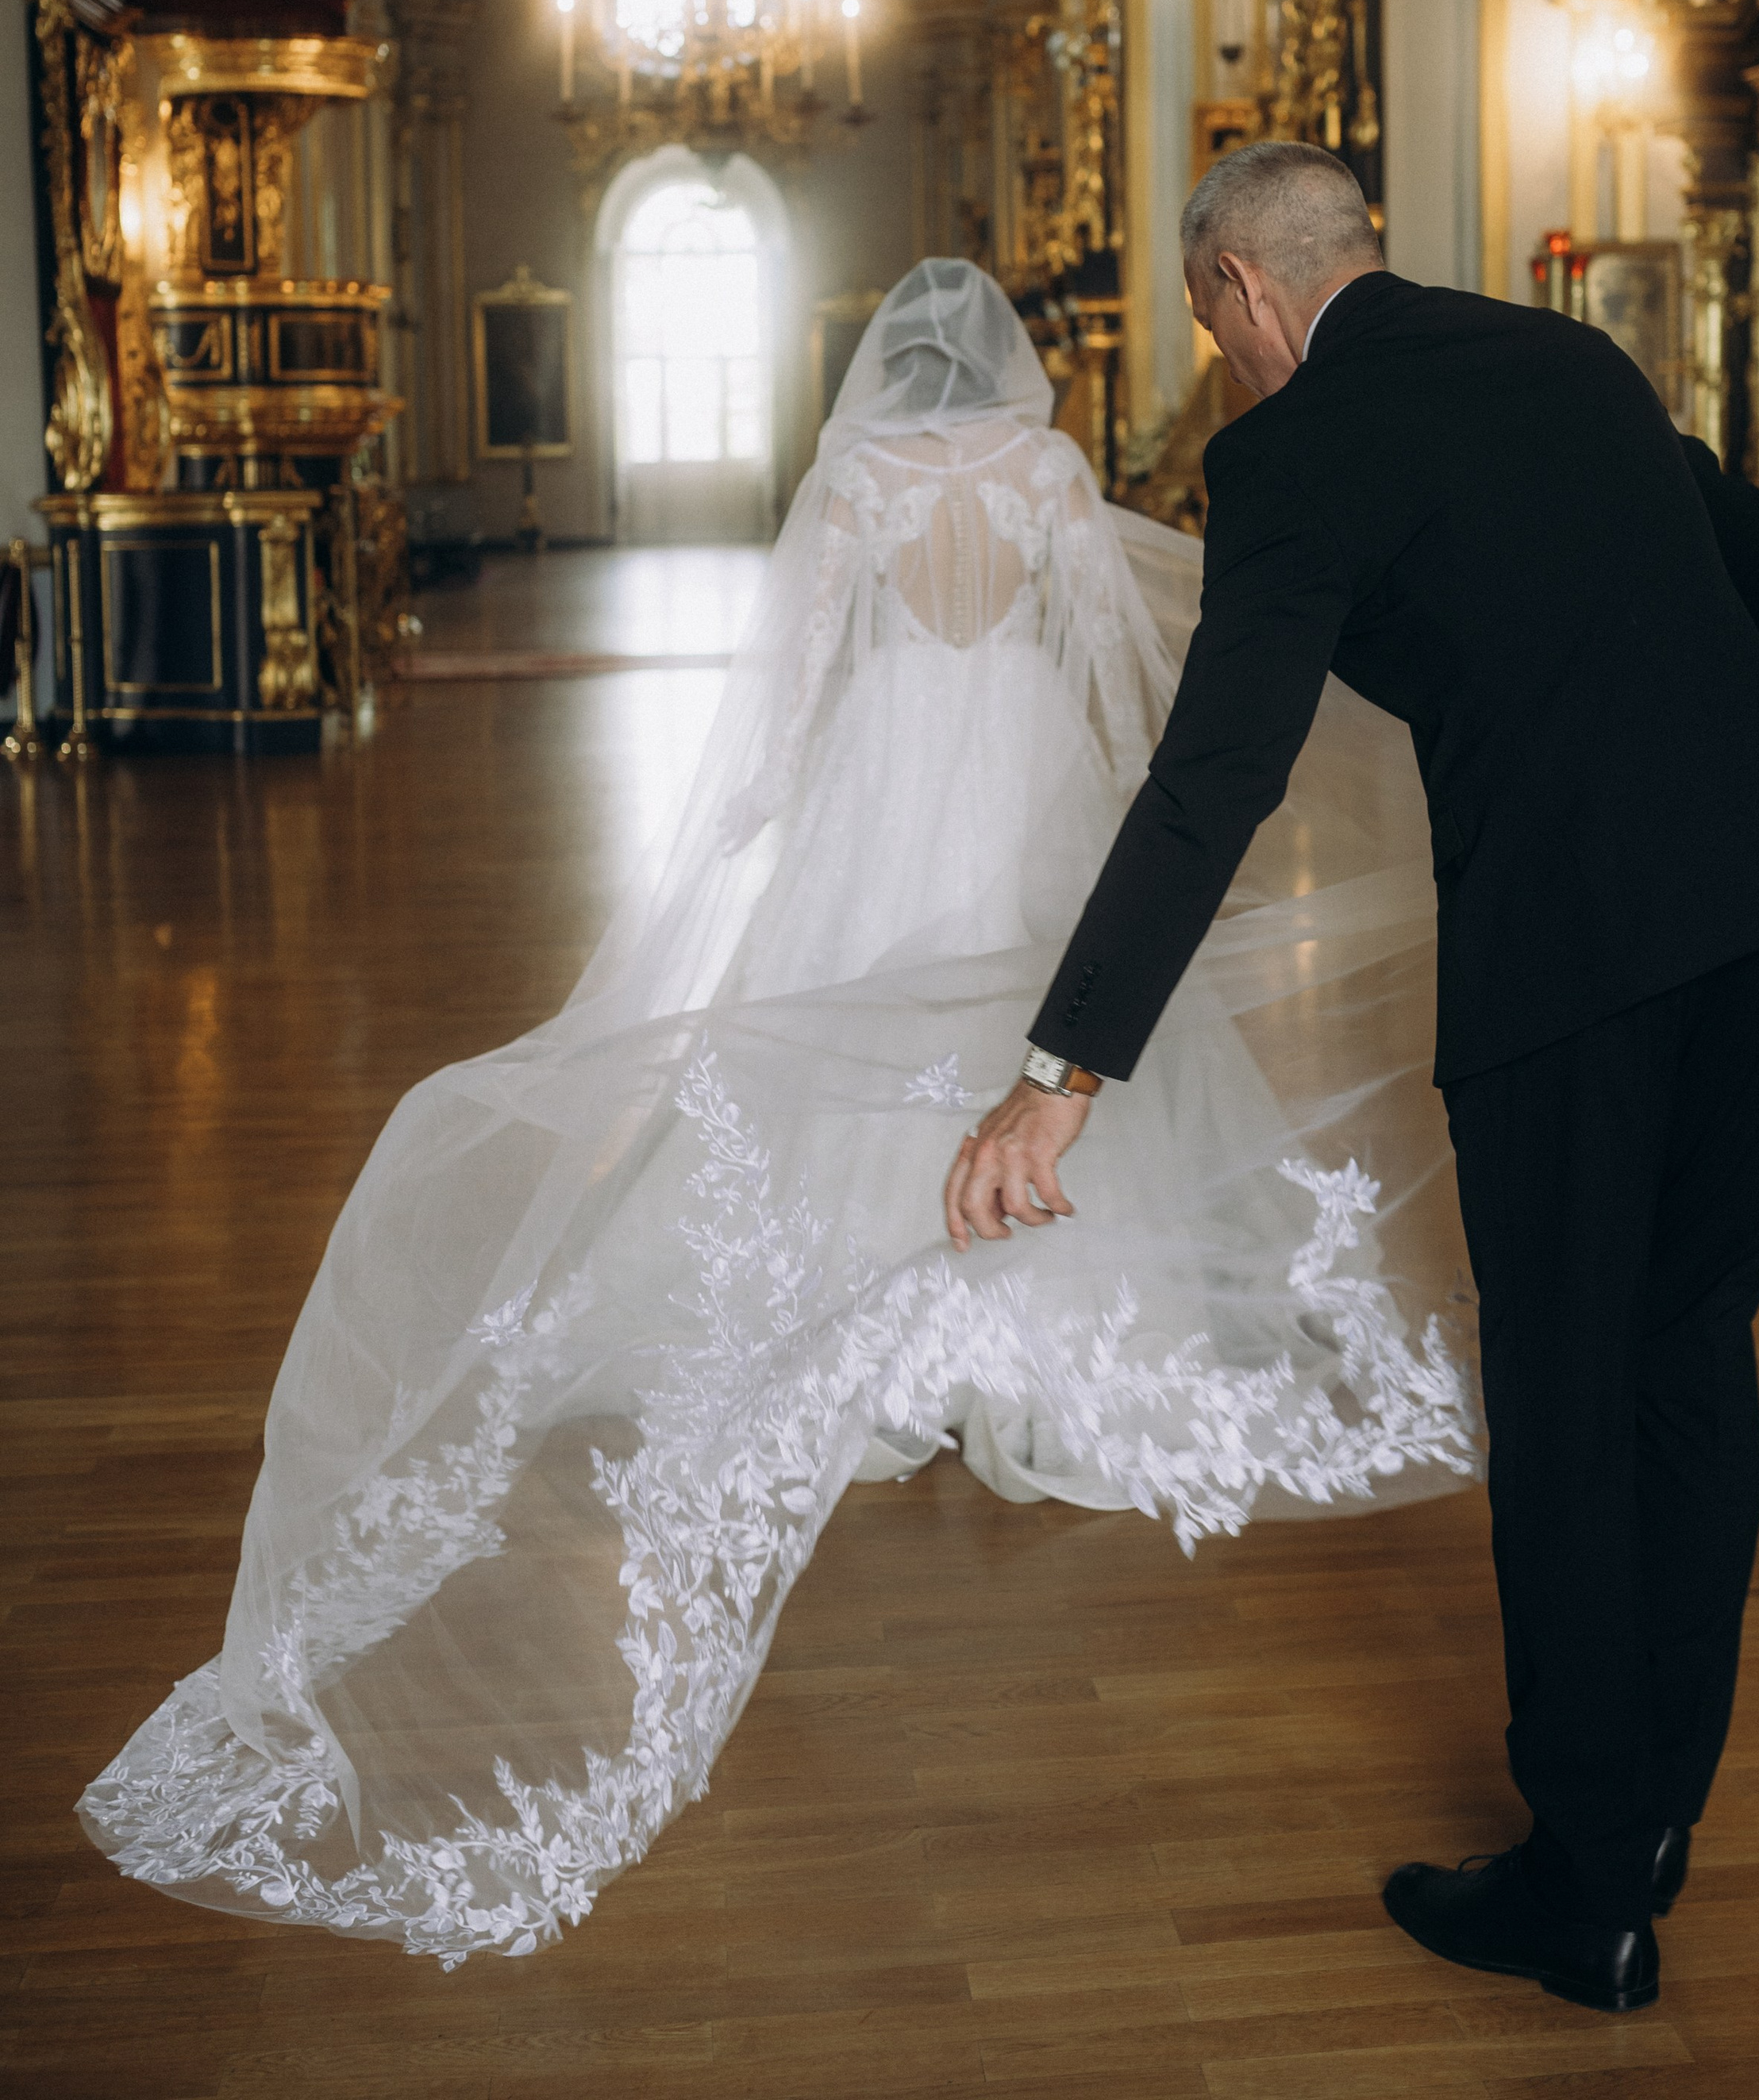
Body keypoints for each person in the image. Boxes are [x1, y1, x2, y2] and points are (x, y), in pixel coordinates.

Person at [79, 259, 1477, 1967]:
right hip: (1028, 777)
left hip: (888, 784)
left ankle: (860, 1317)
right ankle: (1045, 1334)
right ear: (1011, 367)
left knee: (851, 1046)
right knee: (1039, 1036)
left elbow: (792, 689)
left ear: (883, 371)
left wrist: (763, 816)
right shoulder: (1045, 479)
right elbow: (1115, 674)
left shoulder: (854, 484)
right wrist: (1129, 812)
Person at [947, 145, 1759, 2017]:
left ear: (1238, 294)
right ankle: (1650, 1816)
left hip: (1577, 959)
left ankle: (1579, 1883)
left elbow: (1213, 777)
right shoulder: (1567, 358)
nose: (1220, 362)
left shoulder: (1289, 456)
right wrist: (1749, 702)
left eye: (1211, 328)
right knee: (1688, 1343)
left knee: (1556, 1385)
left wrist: (1060, 1072)